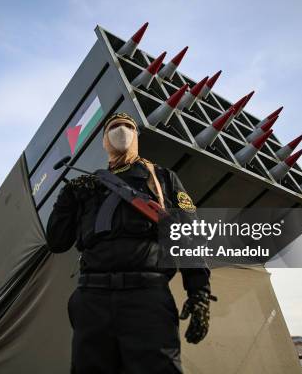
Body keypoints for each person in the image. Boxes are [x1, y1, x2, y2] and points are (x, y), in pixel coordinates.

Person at [46, 112, 213, 374]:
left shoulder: (162, 179)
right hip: (92, 300)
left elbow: (190, 236)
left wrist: (199, 293)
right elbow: (56, 242)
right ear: (104, 141)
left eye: (128, 126)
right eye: (114, 126)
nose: (121, 130)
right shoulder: (87, 187)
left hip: (146, 297)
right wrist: (67, 198)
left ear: (137, 136)